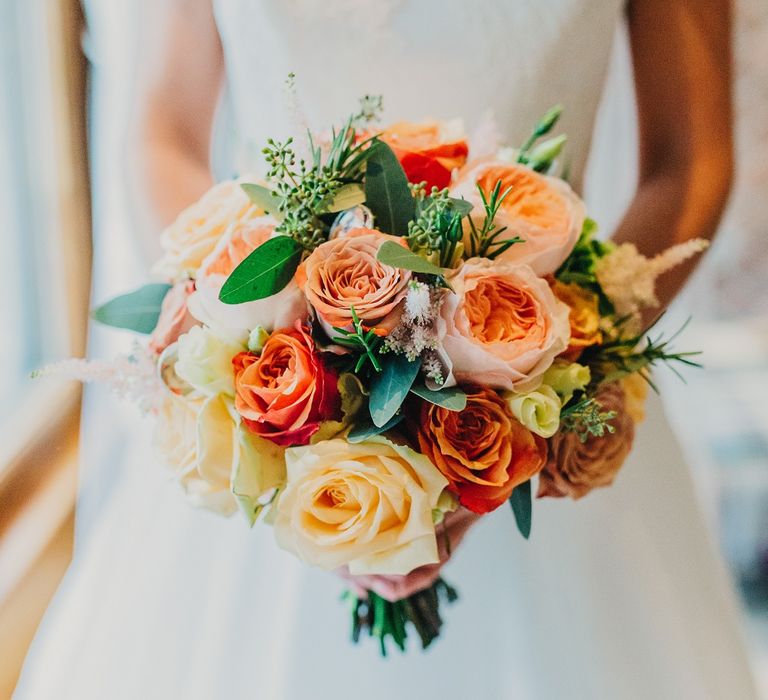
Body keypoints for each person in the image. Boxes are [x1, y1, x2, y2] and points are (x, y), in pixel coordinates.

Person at [15, 1, 759, 698]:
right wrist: (251, 348)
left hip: (550, 403)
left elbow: (690, 160)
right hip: (267, 400)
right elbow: (163, 130)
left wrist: (525, 396)